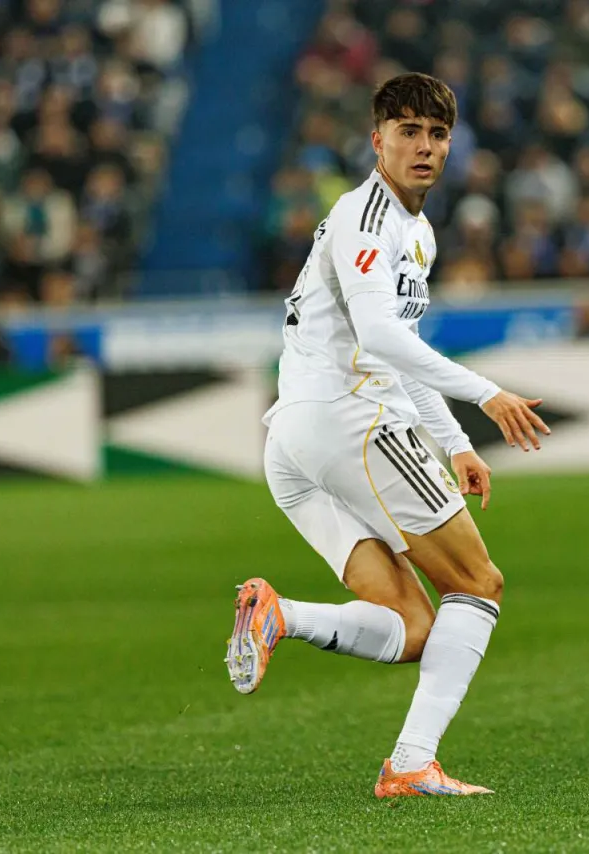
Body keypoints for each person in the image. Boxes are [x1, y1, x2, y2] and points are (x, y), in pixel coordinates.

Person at [225, 73, 549, 798]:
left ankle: (277, 614)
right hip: (351, 424)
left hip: (297, 440)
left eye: (437, 134)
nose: (424, 147)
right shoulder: (367, 218)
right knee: (478, 583)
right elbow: (377, 335)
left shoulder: (415, 231)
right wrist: (487, 394)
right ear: (377, 142)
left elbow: (398, 348)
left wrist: (454, 442)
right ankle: (410, 764)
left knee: (412, 628)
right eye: (408, 132)